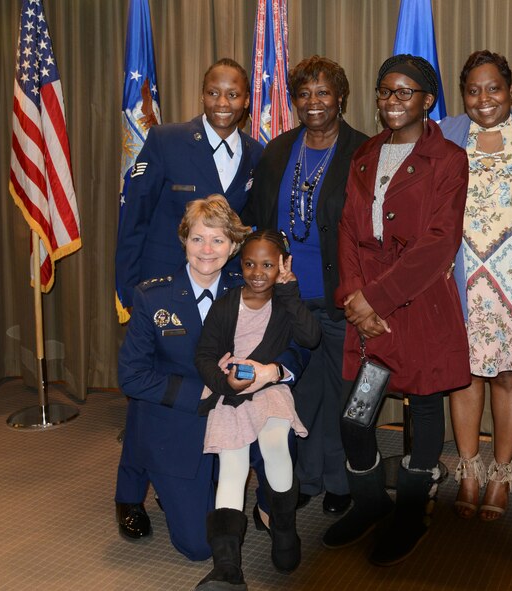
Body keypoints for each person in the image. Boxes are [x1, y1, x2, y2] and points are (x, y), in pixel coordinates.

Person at [322, 54, 470, 566]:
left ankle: (410, 513)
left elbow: (438, 242)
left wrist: (375, 298)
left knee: (424, 408)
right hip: (365, 305)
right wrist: (354, 297)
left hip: (416, 299)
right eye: (385, 91)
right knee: (355, 417)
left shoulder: (449, 158)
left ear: (428, 101)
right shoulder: (364, 152)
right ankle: (368, 504)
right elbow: (346, 228)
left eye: (405, 92)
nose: (392, 102)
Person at [114, 58, 265, 540]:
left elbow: (248, 227)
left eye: (234, 95)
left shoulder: (256, 154)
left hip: (217, 291)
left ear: (246, 101)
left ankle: (191, 469)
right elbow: (133, 214)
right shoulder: (165, 140)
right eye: (215, 93)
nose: (224, 103)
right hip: (162, 292)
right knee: (148, 397)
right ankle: (129, 494)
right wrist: (127, 286)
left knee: (206, 387)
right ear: (203, 94)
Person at [116, 195, 305, 561]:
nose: (206, 249)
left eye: (218, 239)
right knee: (199, 547)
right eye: (197, 238)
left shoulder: (252, 283)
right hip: (184, 418)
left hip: (244, 408)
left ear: (234, 246)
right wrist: (201, 390)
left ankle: (272, 510)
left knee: (282, 432)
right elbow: (132, 377)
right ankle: (149, 477)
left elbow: (298, 344)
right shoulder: (152, 298)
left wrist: (275, 371)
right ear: (183, 239)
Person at [244, 56, 368, 515]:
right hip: (286, 299)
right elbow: (258, 220)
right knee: (291, 393)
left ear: (341, 98)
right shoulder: (277, 151)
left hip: (340, 299)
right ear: (294, 100)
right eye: (304, 94)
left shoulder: (363, 152)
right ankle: (298, 481)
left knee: (338, 393)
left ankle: (338, 481)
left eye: (323, 92)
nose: (313, 102)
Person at [439, 51, 512, 521]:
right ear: (462, 94)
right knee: (464, 378)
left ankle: (501, 474)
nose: (483, 99)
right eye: (473, 90)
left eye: (494, 88)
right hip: (460, 283)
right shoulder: (443, 134)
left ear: (510, 90)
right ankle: (468, 470)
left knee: (508, 377)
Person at [193, 230, 321, 588]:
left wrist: (290, 290)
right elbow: (203, 355)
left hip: (270, 389)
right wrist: (225, 384)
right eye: (250, 263)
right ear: (240, 264)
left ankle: (283, 528)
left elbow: (311, 339)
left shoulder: (284, 302)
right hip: (230, 393)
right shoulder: (225, 304)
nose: (257, 272)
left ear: (282, 265)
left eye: (268, 264)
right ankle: (227, 566)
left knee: (276, 444)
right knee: (232, 464)